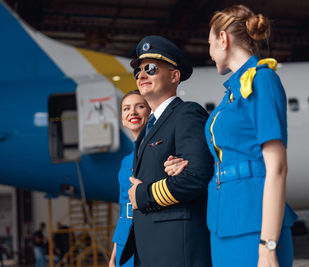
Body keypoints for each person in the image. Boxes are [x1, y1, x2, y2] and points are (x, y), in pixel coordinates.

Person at [165, 4, 298, 267]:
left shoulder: (262, 80)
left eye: (210, 43)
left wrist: (268, 246)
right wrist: (188, 165)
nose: (210, 52)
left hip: (254, 222)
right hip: (223, 220)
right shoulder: (231, 94)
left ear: (223, 39)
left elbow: (277, 168)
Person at [121, 36, 214, 267]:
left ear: (174, 76)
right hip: (152, 249)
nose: (141, 76)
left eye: (150, 69)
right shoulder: (148, 128)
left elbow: (196, 176)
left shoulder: (186, 114)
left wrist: (144, 195)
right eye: (138, 72)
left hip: (176, 249)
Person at [109, 90, 151, 267]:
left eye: (139, 107)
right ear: (122, 119)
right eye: (126, 109)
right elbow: (123, 209)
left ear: (150, 113)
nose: (132, 113)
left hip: (149, 235)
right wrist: (113, 255)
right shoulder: (126, 161)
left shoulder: (158, 153)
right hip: (124, 240)